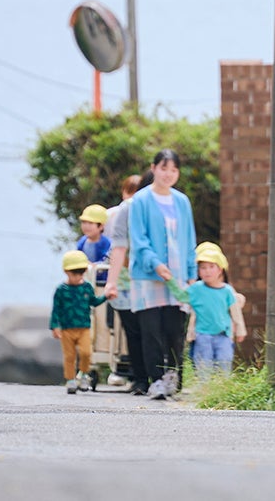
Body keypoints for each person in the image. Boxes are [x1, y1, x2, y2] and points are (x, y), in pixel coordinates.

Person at [127, 149, 197, 400]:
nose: (168, 174)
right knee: (151, 329)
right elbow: (138, 238)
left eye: (174, 170)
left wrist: (191, 273)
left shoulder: (182, 202)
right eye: (164, 168)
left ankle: (173, 377)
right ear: (153, 168)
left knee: (174, 328)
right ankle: (155, 379)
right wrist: (155, 264)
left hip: (176, 276)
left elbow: (189, 239)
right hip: (148, 276)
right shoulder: (141, 200)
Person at [102, 174, 144, 392]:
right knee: (129, 330)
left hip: (138, 280)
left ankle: (139, 377)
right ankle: (133, 375)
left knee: (137, 331)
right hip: (124, 280)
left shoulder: (142, 212)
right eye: (131, 191)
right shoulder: (116, 214)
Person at [51, 249, 108, 394]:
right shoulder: (61, 290)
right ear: (66, 271)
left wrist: (106, 296)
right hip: (67, 328)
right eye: (73, 273)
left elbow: (93, 302)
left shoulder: (87, 287)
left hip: (84, 327)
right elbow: (56, 309)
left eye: (80, 273)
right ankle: (70, 380)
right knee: (69, 356)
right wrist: (54, 326)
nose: (77, 277)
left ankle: (83, 374)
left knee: (86, 353)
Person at [184, 244, 245, 378]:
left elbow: (236, 305)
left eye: (212, 266)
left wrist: (239, 328)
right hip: (202, 334)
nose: (207, 271)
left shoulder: (226, 290)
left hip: (222, 333)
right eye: (203, 267)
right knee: (203, 363)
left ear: (220, 269)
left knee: (223, 362)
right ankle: (204, 386)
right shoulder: (197, 289)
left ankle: (219, 387)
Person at [76, 203, 112, 272]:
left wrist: (93, 266)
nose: (86, 226)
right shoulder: (82, 242)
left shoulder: (106, 243)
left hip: (102, 281)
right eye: (84, 222)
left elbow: (107, 261)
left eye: (90, 223)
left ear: (101, 226)